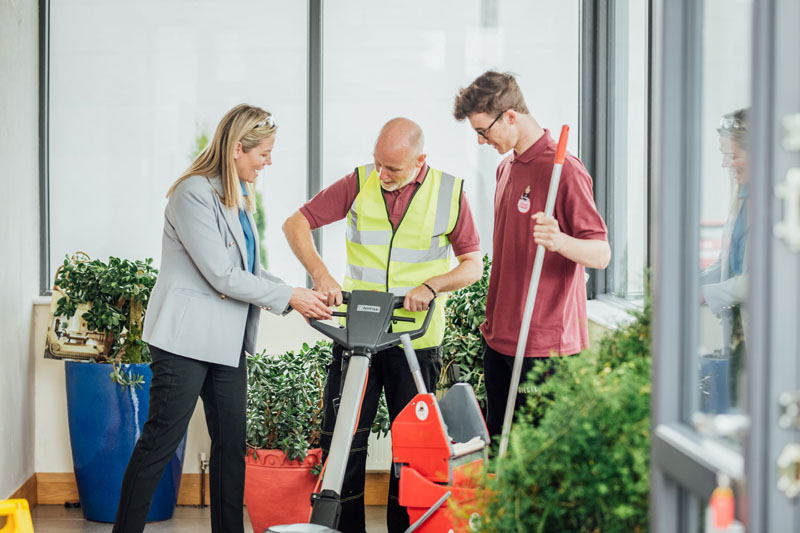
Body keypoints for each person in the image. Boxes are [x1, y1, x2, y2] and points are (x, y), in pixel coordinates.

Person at [112, 104, 331, 533]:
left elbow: (250, 270)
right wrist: (291, 297)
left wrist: (299, 297)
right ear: (236, 149)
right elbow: (221, 275)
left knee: (231, 446)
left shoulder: (238, 200)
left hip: (227, 343)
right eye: (263, 153)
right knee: (161, 441)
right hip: (184, 341)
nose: (269, 161)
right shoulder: (192, 193)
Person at [282, 117, 482, 533]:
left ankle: (403, 528)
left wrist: (432, 284)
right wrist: (320, 274)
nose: (381, 175)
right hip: (357, 337)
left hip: (416, 340)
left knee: (411, 448)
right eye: (378, 163)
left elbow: (472, 266)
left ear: (420, 161)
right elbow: (296, 223)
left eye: (392, 168)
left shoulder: (449, 193)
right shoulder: (359, 182)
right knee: (344, 440)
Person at [452, 71, 610, 439]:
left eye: (483, 131)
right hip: (500, 338)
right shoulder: (505, 167)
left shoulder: (565, 170)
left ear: (509, 115)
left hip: (545, 348)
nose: (480, 141)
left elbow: (600, 253)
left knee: (538, 460)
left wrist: (559, 241)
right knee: (500, 453)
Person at [699, 108, 750, 406]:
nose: (724, 164)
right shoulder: (741, 194)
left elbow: (761, 281)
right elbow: (727, 263)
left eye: (731, 156)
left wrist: (703, 293)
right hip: (738, 336)